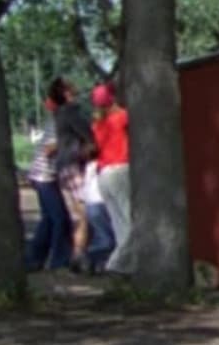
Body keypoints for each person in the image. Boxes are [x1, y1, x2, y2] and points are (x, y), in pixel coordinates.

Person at [47, 78, 101, 271]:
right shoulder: (71, 113)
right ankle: (81, 257)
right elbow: (90, 138)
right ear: (66, 93)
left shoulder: (58, 114)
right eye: (71, 87)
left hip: (63, 167)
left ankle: (75, 256)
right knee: (85, 213)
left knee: (76, 215)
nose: (76, 89)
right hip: (74, 165)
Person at [91, 83, 135, 275]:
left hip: (103, 174)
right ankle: (115, 264)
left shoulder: (98, 124)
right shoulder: (123, 117)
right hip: (120, 170)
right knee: (131, 221)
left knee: (119, 224)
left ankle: (128, 266)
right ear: (113, 97)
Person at [23, 120, 73, 271]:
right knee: (60, 218)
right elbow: (49, 149)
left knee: (49, 219)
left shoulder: (55, 122)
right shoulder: (60, 124)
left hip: (42, 175)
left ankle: (34, 258)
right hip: (45, 176)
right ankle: (59, 260)